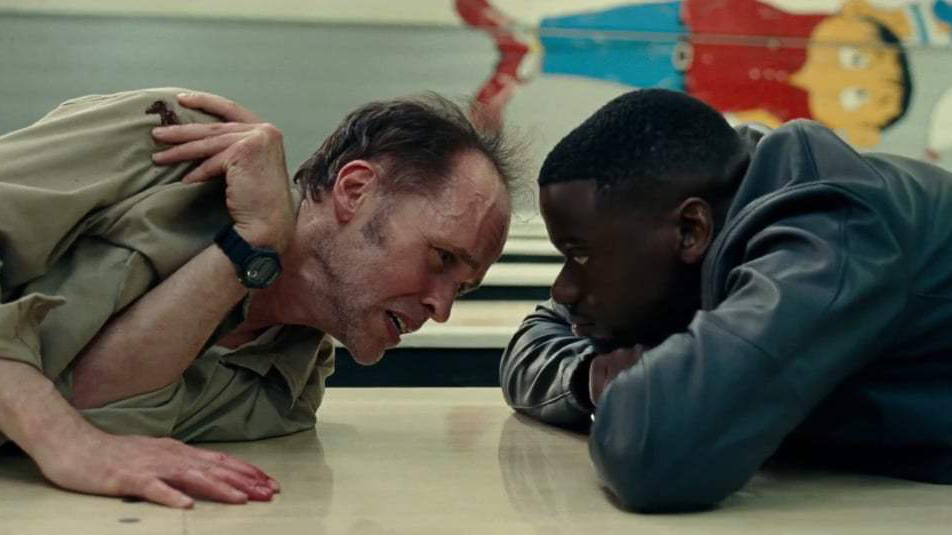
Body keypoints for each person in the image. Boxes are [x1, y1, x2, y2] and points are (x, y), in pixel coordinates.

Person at [0, 88, 514, 507]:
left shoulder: (286, 396)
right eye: (442, 258)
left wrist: (253, 249)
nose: (442, 309)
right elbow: (72, 437)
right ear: (355, 190)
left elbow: (89, 411)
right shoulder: (172, 141)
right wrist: (62, 440)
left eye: (463, 288)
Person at [500, 88, 952, 512]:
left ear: (690, 230)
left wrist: (650, 386)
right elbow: (530, 343)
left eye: (581, 254)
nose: (563, 290)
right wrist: (591, 375)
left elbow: (655, 452)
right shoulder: (694, 214)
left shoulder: (826, 235)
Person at [457, 0, 914, 148]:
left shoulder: (798, 113)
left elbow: (762, 125)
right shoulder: (813, 28)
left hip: (688, 79)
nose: (837, 76)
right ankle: (526, 36)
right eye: (859, 61)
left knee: (615, 67)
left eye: (857, 97)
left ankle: (525, 64)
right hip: (692, 19)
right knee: (612, 25)